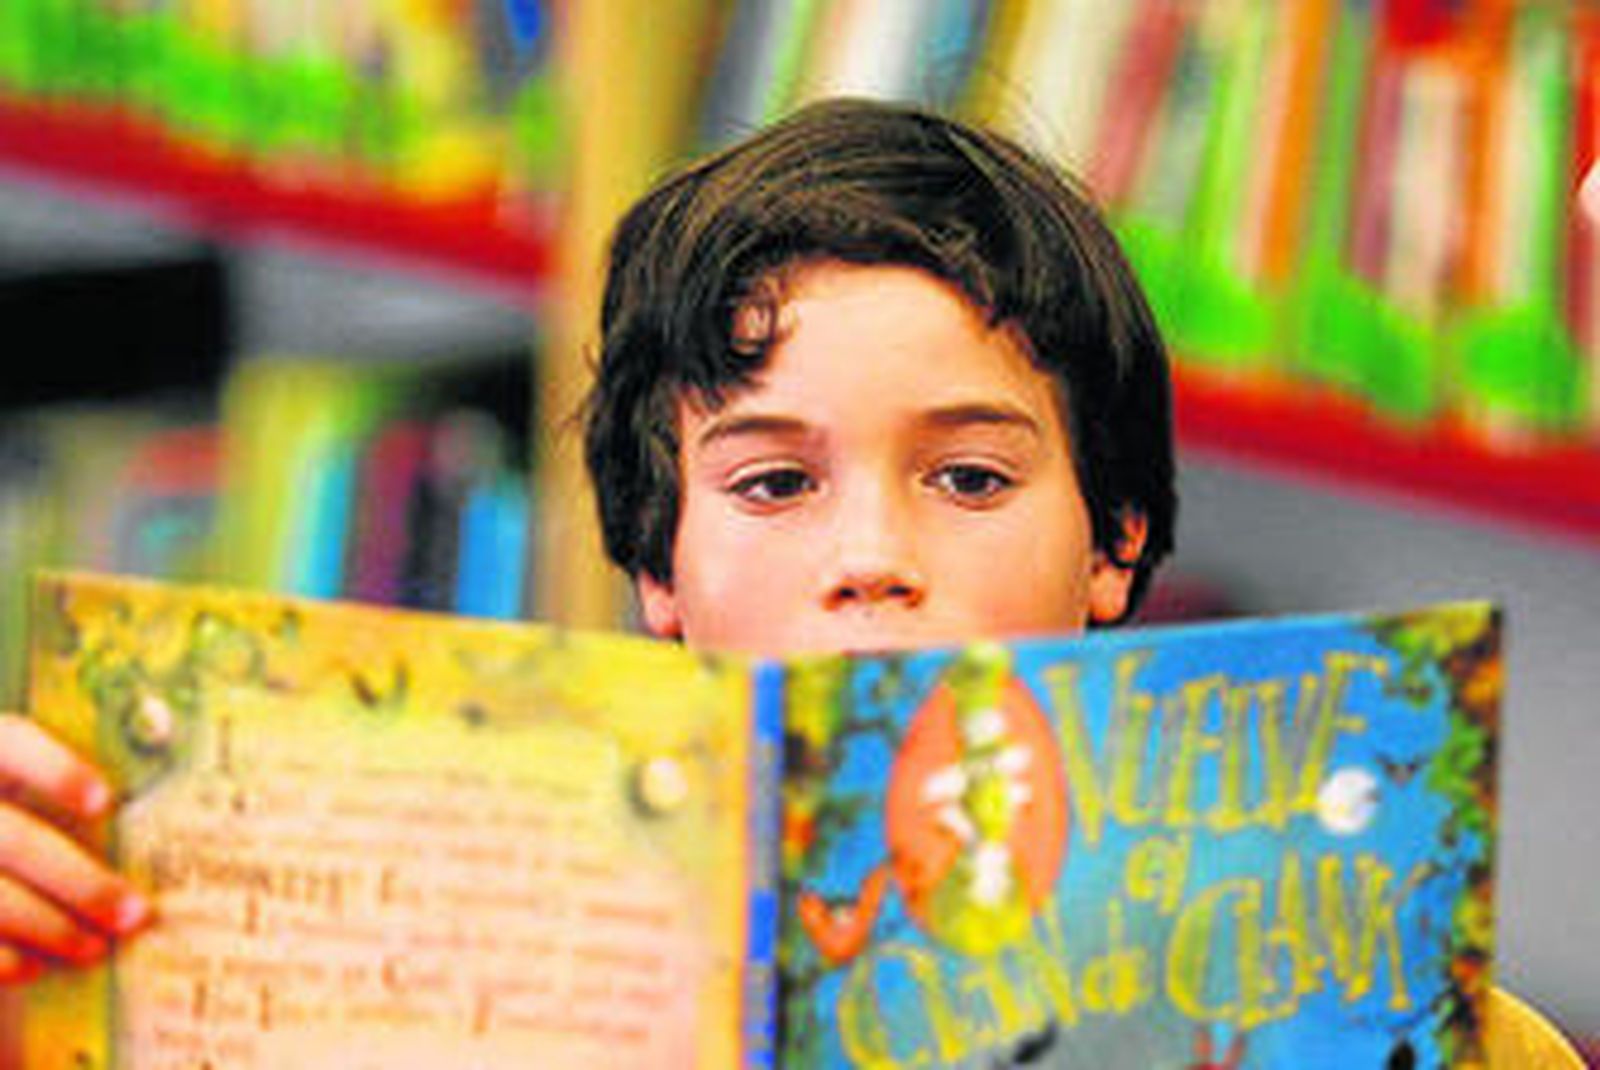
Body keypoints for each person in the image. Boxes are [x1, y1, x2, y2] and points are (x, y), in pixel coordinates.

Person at [0, 98, 1582, 1065]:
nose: (870, 561)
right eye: (772, 483)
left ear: (1112, 539)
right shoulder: (415, 956)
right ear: (658, 565)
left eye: (971, 478)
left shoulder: (1387, 997)